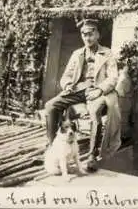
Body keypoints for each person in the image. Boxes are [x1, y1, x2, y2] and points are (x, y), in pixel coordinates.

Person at [44, 18, 120, 171]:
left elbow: (113, 77)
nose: (87, 38)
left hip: (97, 91)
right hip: (78, 90)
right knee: (50, 106)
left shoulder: (107, 53)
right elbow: (66, 75)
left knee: (94, 112)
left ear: (97, 34)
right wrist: (67, 85)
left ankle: (92, 156)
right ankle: (54, 147)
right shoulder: (77, 54)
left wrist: (100, 90)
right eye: (84, 34)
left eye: (90, 34)